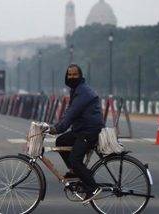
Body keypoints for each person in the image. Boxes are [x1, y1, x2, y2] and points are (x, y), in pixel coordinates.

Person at [49, 64, 104, 204]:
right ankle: (75, 171)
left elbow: (72, 114)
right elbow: (69, 113)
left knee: (75, 159)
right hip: (81, 129)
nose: (72, 77)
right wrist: (56, 128)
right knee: (61, 141)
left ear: (80, 76)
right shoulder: (76, 90)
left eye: (74, 75)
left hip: (89, 131)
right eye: (69, 75)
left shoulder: (83, 92)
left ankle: (92, 188)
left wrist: (57, 128)